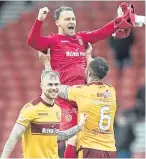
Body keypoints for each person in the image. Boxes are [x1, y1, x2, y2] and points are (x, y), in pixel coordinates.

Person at [27, 3, 135, 157]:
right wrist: (39, 19)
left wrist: (119, 20)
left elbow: (102, 32)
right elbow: (32, 41)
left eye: (73, 19)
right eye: (67, 19)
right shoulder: (53, 40)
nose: (72, 22)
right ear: (57, 22)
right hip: (65, 99)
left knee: (87, 140)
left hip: (84, 96)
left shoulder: (81, 38)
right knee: (72, 138)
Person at [40, 44, 117, 158]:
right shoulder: (111, 91)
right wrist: (88, 56)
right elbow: (95, 72)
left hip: (90, 149)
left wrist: (47, 64)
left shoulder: (82, 92)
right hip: (110, 150)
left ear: (88, 72)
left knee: (71, 141)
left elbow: (56, 88)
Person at [0, 70, 87, 158]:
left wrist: (79, 127)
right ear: (41, 86)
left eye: (56, 84)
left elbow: (56, 136)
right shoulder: (31, 108)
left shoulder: (57, 109)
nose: (54, 87)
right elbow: (14, 136)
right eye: (50, 84)